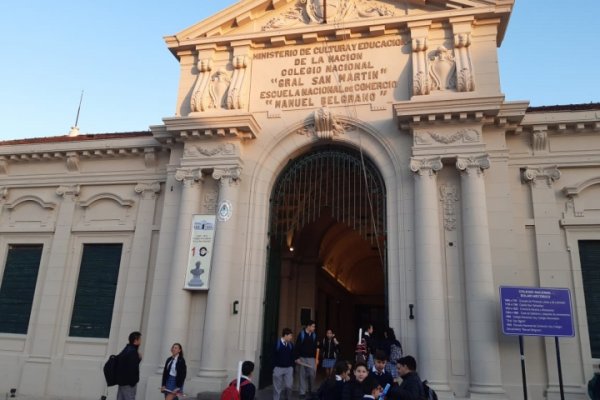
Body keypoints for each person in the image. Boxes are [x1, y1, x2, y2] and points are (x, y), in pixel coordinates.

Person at [116, 331, 142, 400]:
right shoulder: (133, 351)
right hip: (128, 383)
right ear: (136, 341)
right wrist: (133, 382)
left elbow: (125, 363)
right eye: (140, 340)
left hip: (122, 382)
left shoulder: (126, 349)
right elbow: (132, 368)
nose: (141, 341)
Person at [296, 320, 319, 399]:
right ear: (308, 326)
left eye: (314, 326)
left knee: (312, 374)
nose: (314, 328)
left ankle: (311, 390)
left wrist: (317, 358)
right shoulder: (301, 334)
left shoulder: (314, 335)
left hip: (312, 359)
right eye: (313, 326)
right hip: (302, 358)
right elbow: (297, 346)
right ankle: (302, 392)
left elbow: (316, 348)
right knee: (302, 375)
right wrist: (297, 358)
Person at [273, 328, 295, 400]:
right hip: (278, 368)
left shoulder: (291, 345)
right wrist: (274, 367)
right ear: (285, 335)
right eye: (290, 335)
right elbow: (272, 355)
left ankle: (287, 398)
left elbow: (292, 356)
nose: (291, 337)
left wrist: (292, 366)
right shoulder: (277, 344)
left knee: (289, 386)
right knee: (277, 387)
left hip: (288, 368)